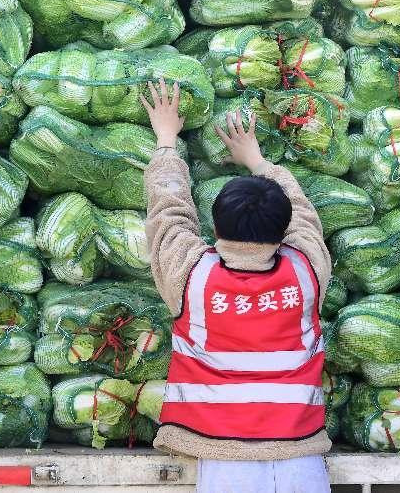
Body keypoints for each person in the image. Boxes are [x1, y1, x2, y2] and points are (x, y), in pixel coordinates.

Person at [141, 79, 332, 493]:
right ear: (282, 230)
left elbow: (168, 214)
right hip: (302, 459)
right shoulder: (307, 269)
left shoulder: (191, 276)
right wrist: (259, 162)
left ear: (215, 226)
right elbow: (303, 214)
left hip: (223, 459)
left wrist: (166, 141)